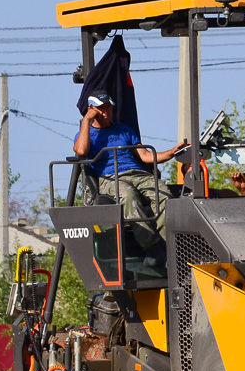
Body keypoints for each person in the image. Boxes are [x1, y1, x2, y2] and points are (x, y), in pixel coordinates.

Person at [72, 91, 186, 251]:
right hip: (110, 178)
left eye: (109, 108)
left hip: (139, 174)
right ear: (92, 109)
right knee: (128, 195)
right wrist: (86, 121)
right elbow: (81, 150)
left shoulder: (124, 130)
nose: (106, 112)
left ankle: (168, 246)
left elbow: (145, 156)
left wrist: (172, 152)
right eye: (101, 108)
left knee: (163, 192)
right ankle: (153, 250)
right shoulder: (86, 134)